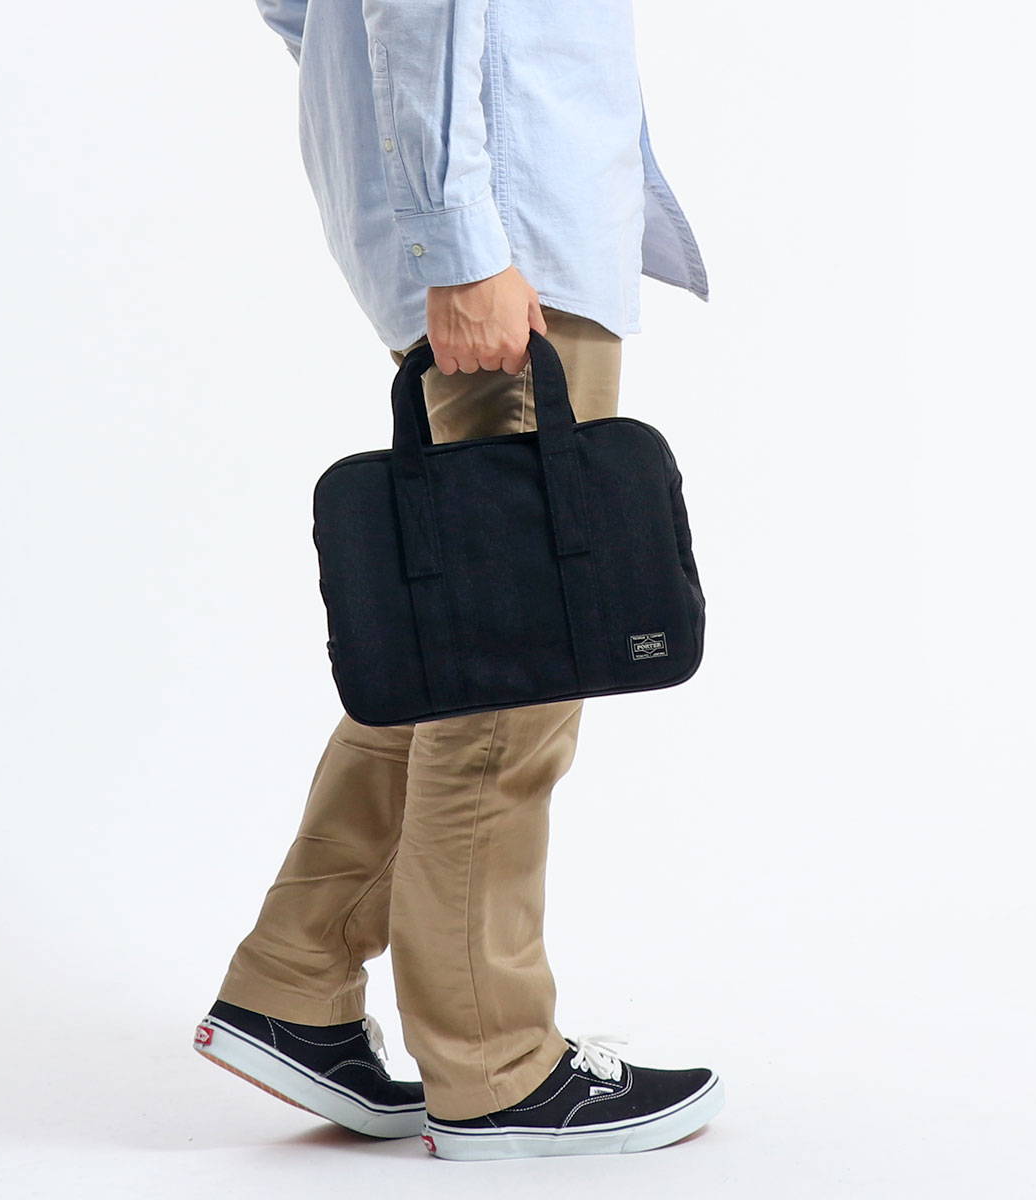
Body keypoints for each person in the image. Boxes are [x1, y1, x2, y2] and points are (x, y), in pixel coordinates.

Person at [192, 0, 723, 1161]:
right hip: (508, 235)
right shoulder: (480, 234)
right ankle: (494, 1066)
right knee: (515, 669)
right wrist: (459, 235)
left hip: (490, 216)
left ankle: (295, 979)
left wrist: (398, 147)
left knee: (465, 640)